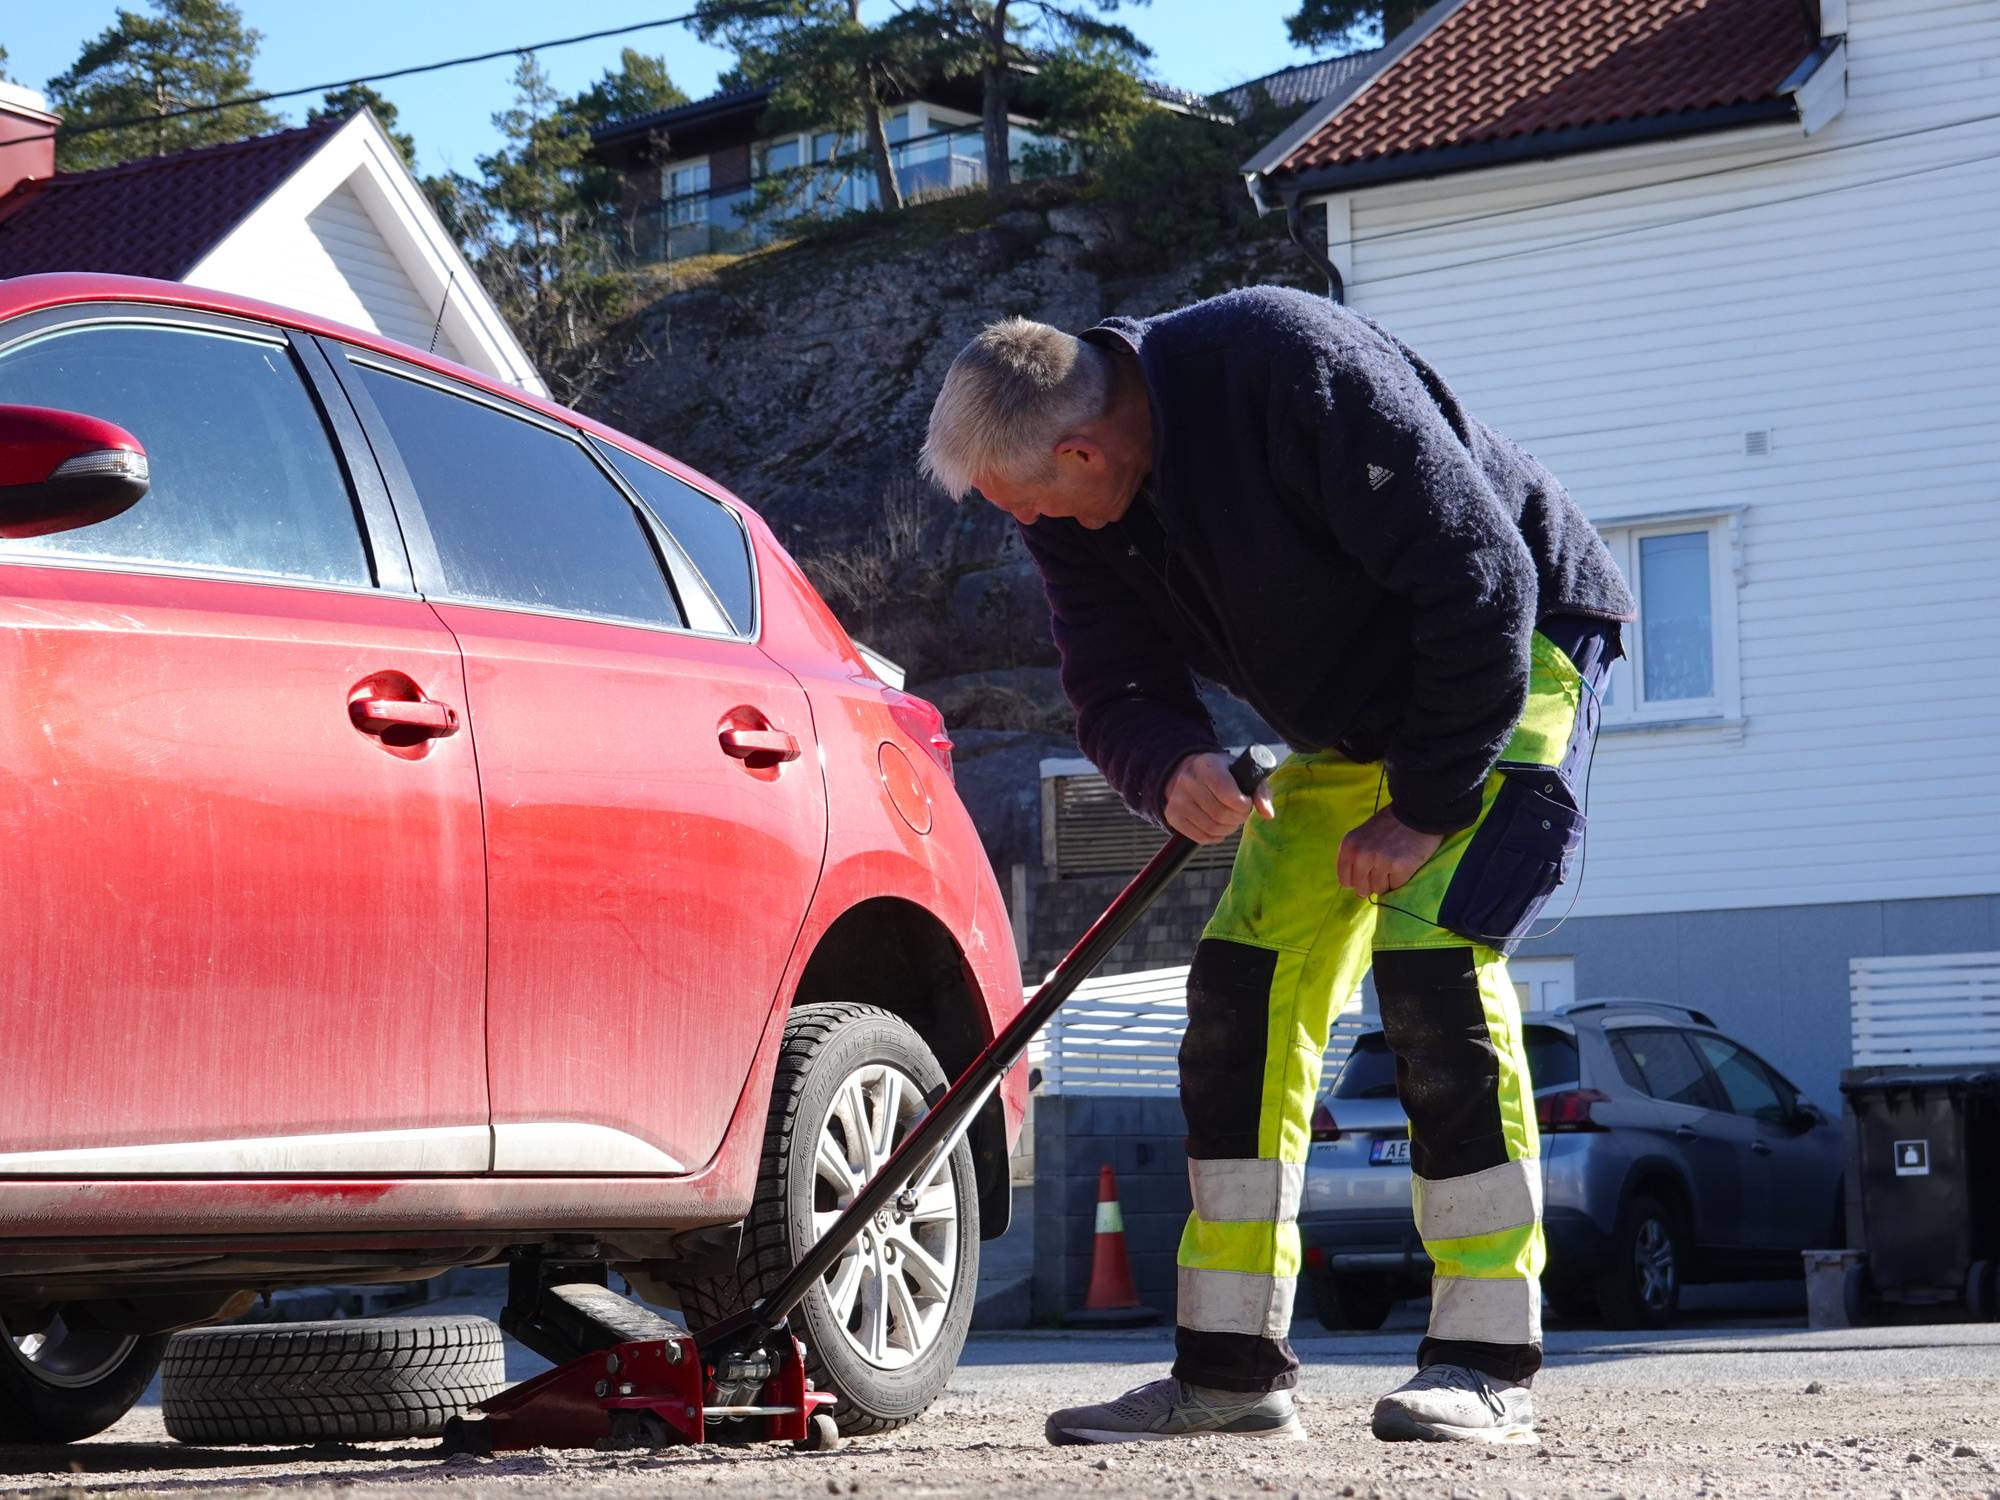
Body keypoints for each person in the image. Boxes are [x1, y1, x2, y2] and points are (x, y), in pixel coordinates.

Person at [920, 286, 1635, 1446]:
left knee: (1430, 967)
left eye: (1035, 500)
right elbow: (1113, 682)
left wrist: (1425, 807)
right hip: (1351, 714)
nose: (1037, 526)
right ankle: (1227, 1374)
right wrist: (1169, 764)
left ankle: (1481, 1363)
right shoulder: (1064, 508)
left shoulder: (1285, 366)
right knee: (1241, 998)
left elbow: (1481, 582)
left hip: (1512, 652)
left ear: (1083, 444)